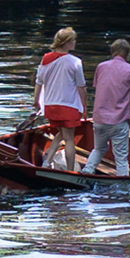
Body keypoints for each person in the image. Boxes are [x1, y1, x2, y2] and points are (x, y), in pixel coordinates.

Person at [80, 39, 130, 177]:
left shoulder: (101, 67)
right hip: (119, 121)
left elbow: (100, 89)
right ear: (128, 53)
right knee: (121, 158)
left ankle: (86, 172)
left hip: (99, 119)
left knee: (98, 149)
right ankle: (122, 186)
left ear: (113, 52)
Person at [34, 27, 85, 170]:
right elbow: (81, 87)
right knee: (69, 139)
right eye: (73, 40)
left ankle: (47, 161)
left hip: (50, 106)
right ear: (67, 42)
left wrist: (36, 101)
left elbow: (39, 82)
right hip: (68, 106)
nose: (75, 42)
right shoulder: (75, 62)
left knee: (61, 133)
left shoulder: (45, 59)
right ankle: (70, 171)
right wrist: (84, 106)